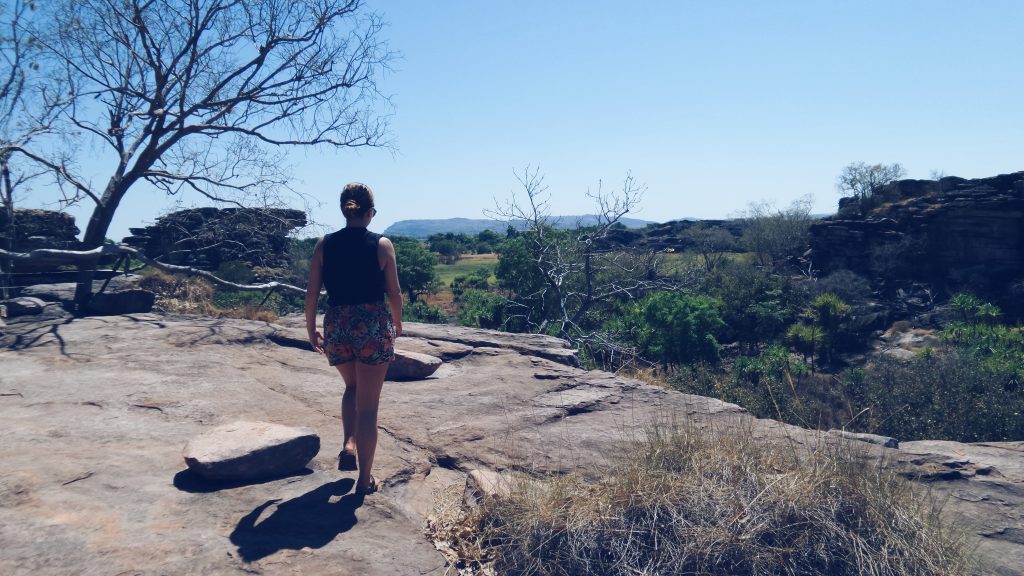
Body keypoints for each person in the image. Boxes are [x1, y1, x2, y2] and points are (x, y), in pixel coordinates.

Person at [304, 182, 403, 496]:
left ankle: (349, 442)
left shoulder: (324, 244)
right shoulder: (382, 244)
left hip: (337, 324)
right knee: (369, 407)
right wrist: (397, 323)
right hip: (372, 324)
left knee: (351, 387)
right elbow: (394, 293)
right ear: (370, 212)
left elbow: (311, 292)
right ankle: (364, 480)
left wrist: (310, 328)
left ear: (345, 210)